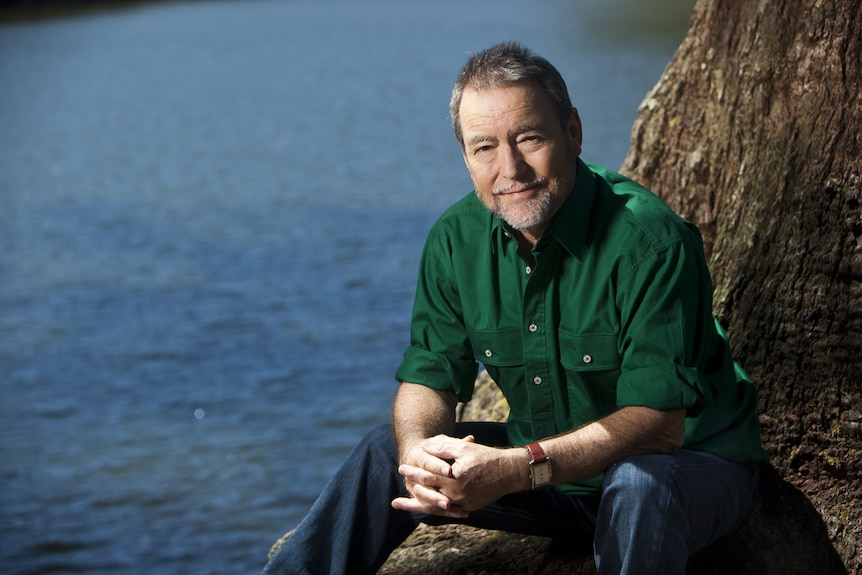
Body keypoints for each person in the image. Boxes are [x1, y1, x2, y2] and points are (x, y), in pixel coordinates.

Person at [263, 41, 767, 575]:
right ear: (465, 156)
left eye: (529, 138)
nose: (511, 169)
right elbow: (430, 377)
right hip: (554, 478)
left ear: (572, 132)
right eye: (484, 147)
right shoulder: (456, 240)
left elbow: (658, 428)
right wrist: (420, 454)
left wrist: (517, 469)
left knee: (637, 482)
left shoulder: (650, 242)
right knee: (387, 451)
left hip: (688, 471)